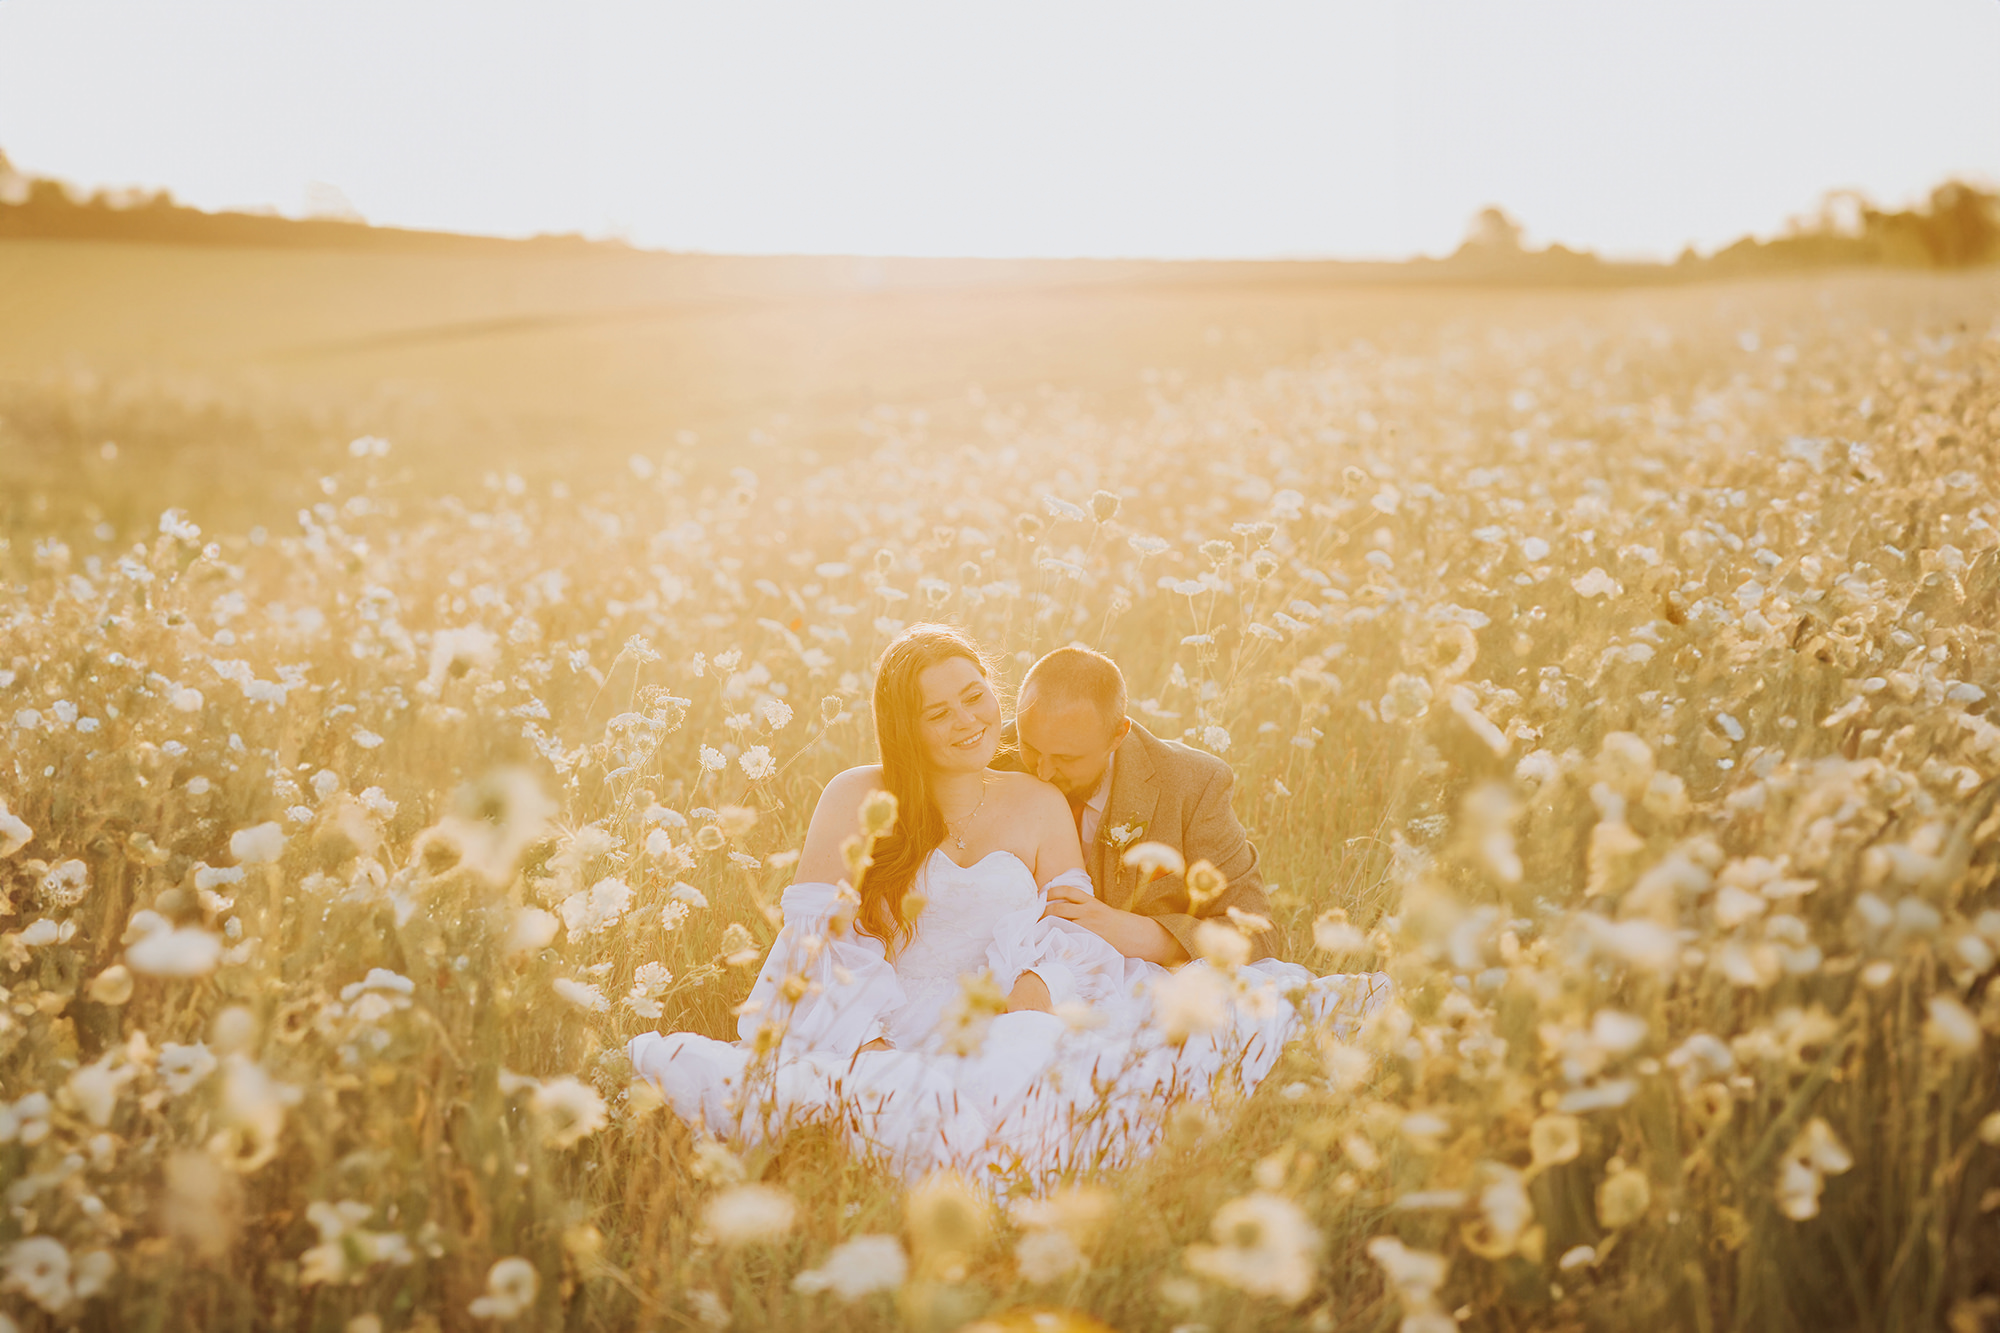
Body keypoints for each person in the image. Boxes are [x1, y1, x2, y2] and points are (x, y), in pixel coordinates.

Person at [626, 624, 1386, 1183]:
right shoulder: (857, 795)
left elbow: (1072, 929)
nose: (968, 722)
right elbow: (816, 940)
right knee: (873, 1092)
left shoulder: (1043, 795)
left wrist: (1033, 1000)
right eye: (939, 712)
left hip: (1011, 999)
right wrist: (868, 1040)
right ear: (906, 726)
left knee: (1084, 1068)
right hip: (885, 1008)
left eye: (973, 696)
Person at [1001, 645, 1277, 965]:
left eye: (1067, 758)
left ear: (1118, 735)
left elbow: (1259, 933)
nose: (1043, 772)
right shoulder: (987, 757)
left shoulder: (1194, 785)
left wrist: (1149, 936)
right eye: (1030, 746)